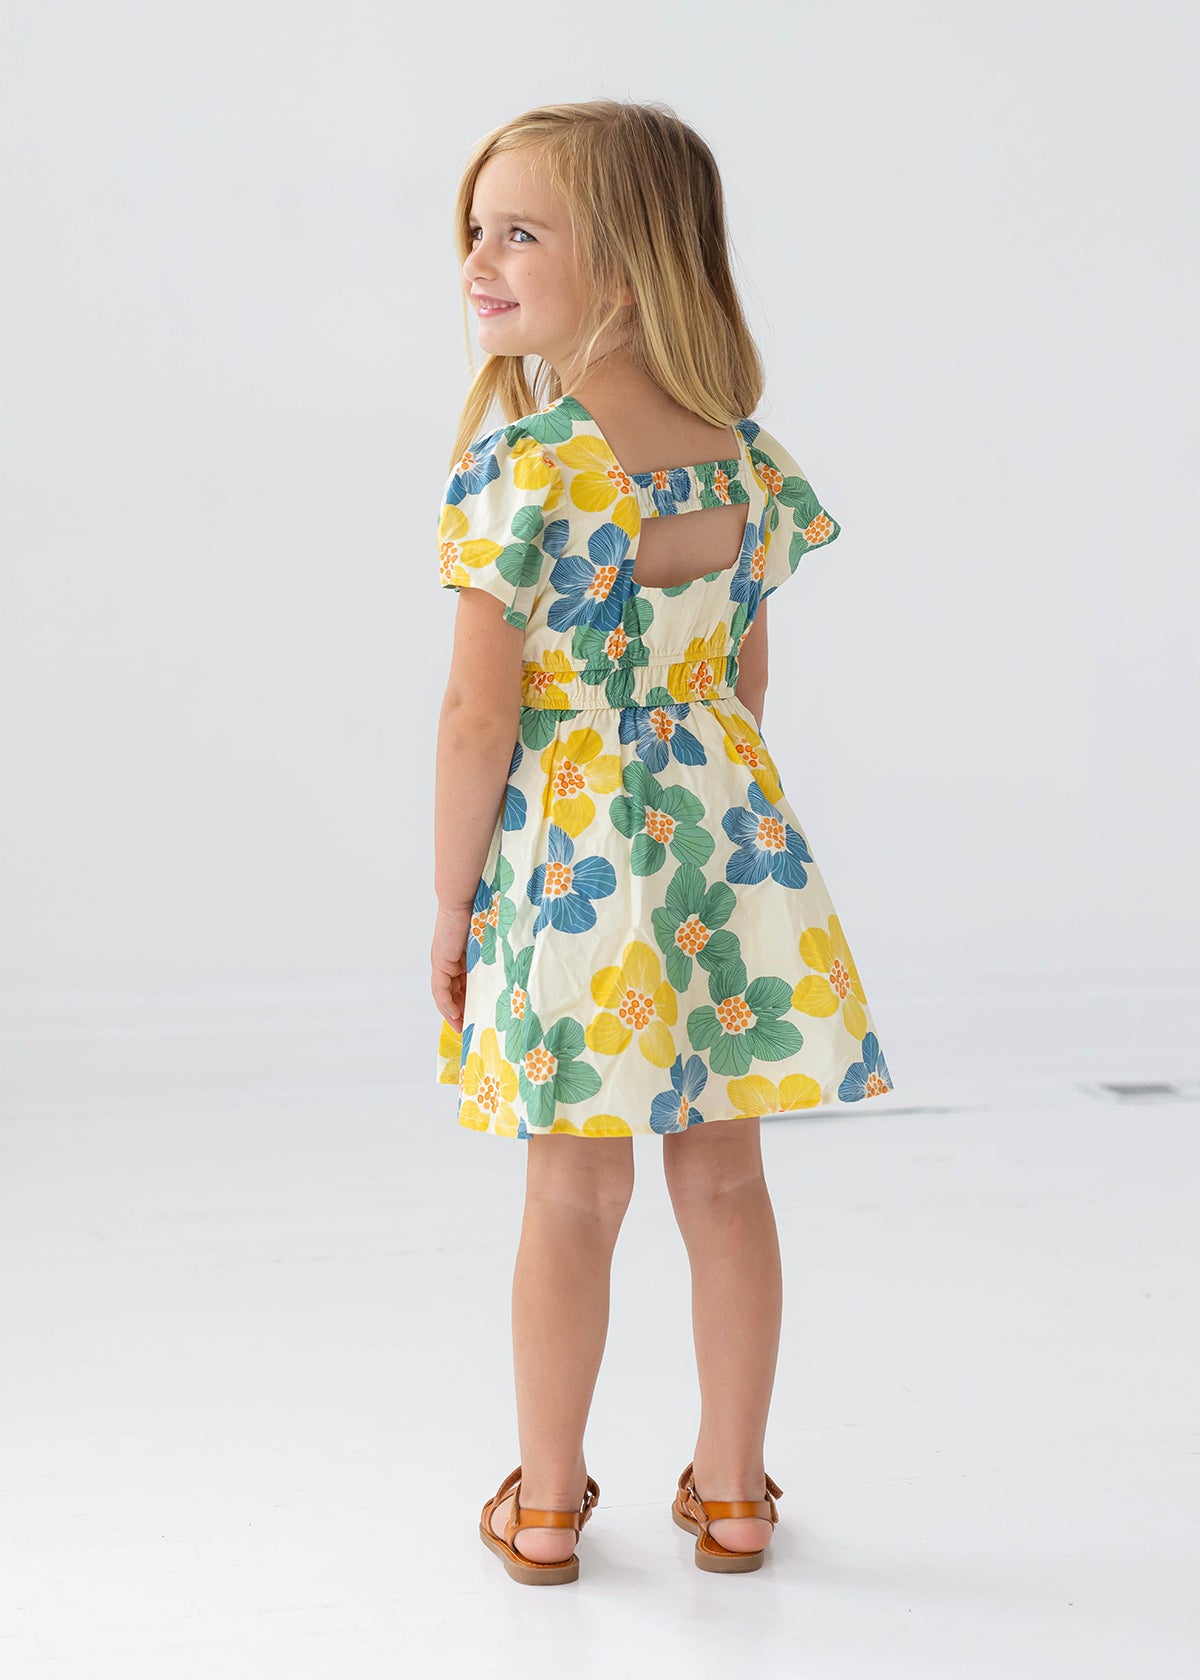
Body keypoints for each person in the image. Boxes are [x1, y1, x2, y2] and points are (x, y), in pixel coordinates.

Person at [429, 99, 895, 1585]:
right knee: (727, 1185)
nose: (478, 261)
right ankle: (736, 1492)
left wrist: (452, 904)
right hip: (729, 843)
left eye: (519, 232)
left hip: (571, 858)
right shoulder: (749, 463)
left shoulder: (530, 465)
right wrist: (697, 789)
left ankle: (548, 1505)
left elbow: (476, 719)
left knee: (573, 1193)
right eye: (475, 231)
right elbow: (744, 682)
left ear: (627, 264)